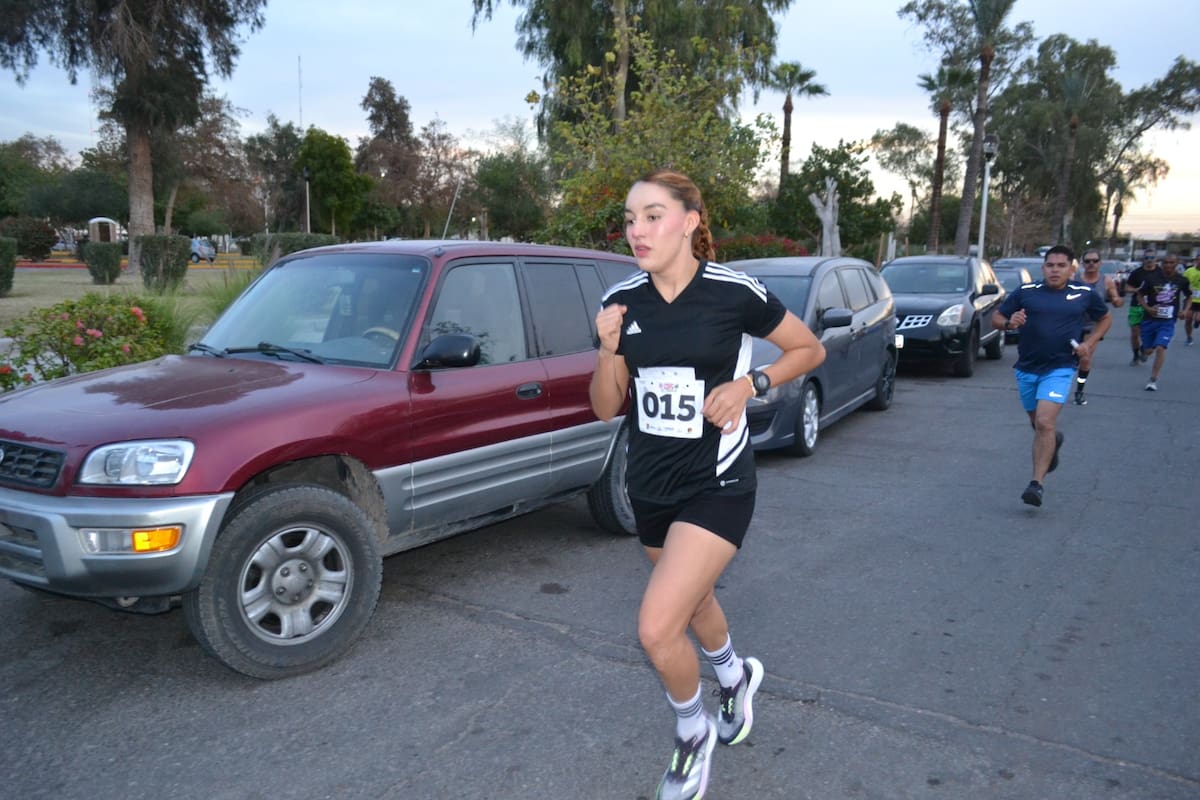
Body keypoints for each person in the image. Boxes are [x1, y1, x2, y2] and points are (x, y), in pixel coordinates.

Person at [590, 169, 825, 800]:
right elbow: (606, 405)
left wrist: (752, 385)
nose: (636, 230)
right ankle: (735, 676)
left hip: (719, 483)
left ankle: (692, 733)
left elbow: (808, 350)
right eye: (631, 218)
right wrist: (608, 348)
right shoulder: (622, 300)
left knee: (656, 626)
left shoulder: (732, 291)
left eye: (653, 215)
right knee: (691, 602)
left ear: (690, 221)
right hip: (650, 485)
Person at [992, 245, 1111, 507]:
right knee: (1038, 423)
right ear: (1043, 267)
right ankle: (1053, 442)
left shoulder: (1084, 293)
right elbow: (997, 318)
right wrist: (1011, 322)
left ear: (1071, 268)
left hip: (1060, 367)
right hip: (1026, 367)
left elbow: (1105, 319)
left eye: (1061, 265)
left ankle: (1037, 484)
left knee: (1045, 422)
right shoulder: (1026, 292)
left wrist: (1089, 344)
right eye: (1050, 265)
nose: (1055, 270)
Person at [1132, 252, 1191, 391]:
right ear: (1161, 263)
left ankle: (1153, 379)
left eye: (1172, 263)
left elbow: (1188, 296)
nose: (1168, 266)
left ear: (1177, 265)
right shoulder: (1151, 278)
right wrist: (1148, 308)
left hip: (1168, 321)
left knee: (1161, 347)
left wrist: (1185, 310)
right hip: (1149, 320)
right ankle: (1144, 350)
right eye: (1166, 263)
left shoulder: (1181, 280)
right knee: (1148, 350)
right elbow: (1140, 295)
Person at [1071, 248, 1122, 405]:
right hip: (1073, 323)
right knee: (1068, 357)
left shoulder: (1106, 281)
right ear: (1082, 263)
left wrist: (1116, 301)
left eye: (1094, 261)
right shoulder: (1074, 278)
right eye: (1087, 261)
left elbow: (1116, 298)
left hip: (1093, 325)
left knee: (1085, 357)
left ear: (1100, 263)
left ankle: (1079, 390)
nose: (1091, 264)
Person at [1123, 249, 1159, 364]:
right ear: (1143, 259)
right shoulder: (1137, 273)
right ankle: (1135, 355)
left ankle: (1144, 348)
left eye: (1152, 258)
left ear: (1156, 259)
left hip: (1154, 306)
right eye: (1147, 258)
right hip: (1137, 306)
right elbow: (1126, 288)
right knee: (1135, 333)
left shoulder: (1160, 273)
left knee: (1154, 331)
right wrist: (1136, 290)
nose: (1149, 260)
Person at [1183, 257, 1200, 346]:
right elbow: (1183, 283)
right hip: (1190, 298)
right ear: (1196, 261)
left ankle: (1198, 321)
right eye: (1198, 260)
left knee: (1197, 318)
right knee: (1188, 320)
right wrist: (1188, 288)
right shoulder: (1189, 271)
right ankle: (1189, 337)